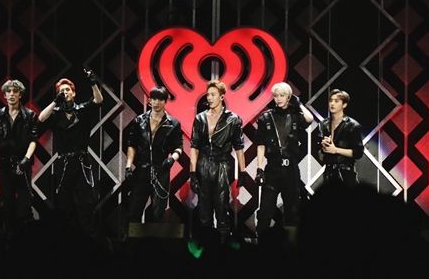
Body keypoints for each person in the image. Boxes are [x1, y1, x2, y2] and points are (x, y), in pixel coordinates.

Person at [38, 69, 103, 235]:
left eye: (68, 90)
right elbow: (41, 118)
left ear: (74, 93)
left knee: (85, 201)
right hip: (64, 162)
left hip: (81, 161)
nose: (65, 93)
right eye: (62, 91)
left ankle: (88, 236)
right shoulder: (56, 114)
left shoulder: (82, 110)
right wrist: (55, 101)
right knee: (64, 201)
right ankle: (66, 236)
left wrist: (92, 82)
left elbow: (98, 100)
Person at [190, 79, 247, 243]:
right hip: (203, 165)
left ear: (222, 96)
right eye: (208, 94)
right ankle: (205, 247)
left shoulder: (233, 119)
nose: (209, 98)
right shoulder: (200, 118)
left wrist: (243, 171)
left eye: (213, 94)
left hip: (222, 165)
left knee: (222, 209)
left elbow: (239, 147)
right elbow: (194, 146)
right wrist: (192, 173)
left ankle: (222, 248)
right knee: (204, 211)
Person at [0, 80, 38, 233]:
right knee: (6, 204)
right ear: (4, 95)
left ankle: (26, 236)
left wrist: (26, 160)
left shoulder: (29, 115)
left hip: (23, 163)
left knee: (25, 204)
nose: (12, 94)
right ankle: (9, 237)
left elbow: (33, 140)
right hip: (5, 164)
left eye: (15, 91)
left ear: (20, 94)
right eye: (8, 91)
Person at [255, 82, 314, 237]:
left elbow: (309, 119)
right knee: (265, 210)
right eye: (276, 96)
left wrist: (299, 104)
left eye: (282, 95)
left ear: (289, 97)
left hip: (290, 169)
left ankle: (291, 245)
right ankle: (261, 245)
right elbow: (261, 145)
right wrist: (259, 168)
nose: (279, 99)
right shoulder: (266, 117)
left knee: (292, 210)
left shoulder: (295, 115)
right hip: (272, 168)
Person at [124, 86, 183, 224]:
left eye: (160, 99)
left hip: (161, 171)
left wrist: (172, 159)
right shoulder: (139, 121)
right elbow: (132, 144)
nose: (156, 102)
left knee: (158, 213)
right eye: (154, 99)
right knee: (134, 210)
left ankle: (156, 238)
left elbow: (178, 147)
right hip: (142, 170)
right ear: (150, 100)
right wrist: (128, 166)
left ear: (165, 101)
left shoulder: (173, 124)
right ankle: (132, 238)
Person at [314, 89, 364, 186]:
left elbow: (358, 153)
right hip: (329, 173)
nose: (332, 103)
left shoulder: (352, 126)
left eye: (336, 101)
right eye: (331, 100)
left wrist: (336, 150)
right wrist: (324, 149)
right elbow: (320, 156)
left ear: (344, 105)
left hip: (346, 174)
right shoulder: (323, 125)